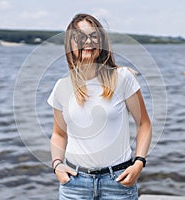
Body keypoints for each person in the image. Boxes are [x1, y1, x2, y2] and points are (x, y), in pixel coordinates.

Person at [47, 13, 152, 200]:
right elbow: (59, 134)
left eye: (94, 36)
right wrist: (57, 165)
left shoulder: (123, 79)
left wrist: (139, 163)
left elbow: (144, 124)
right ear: (70, 45)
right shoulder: (61, 87)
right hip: (74, 185)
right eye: (80, 37)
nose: (88, 41)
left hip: (118, 182)